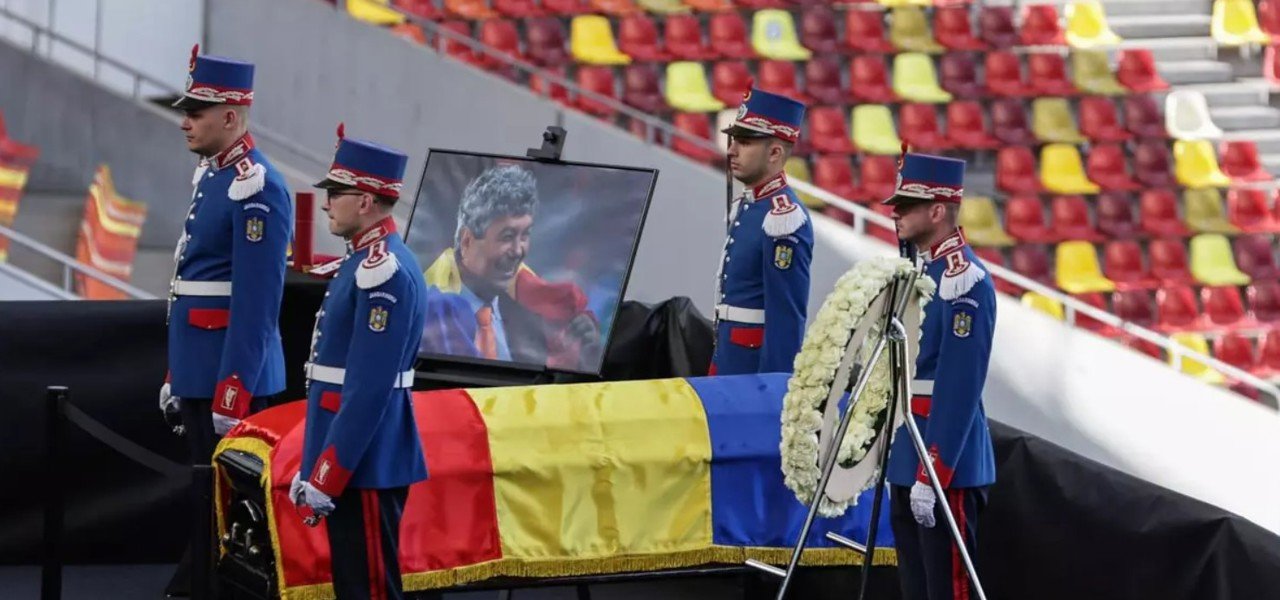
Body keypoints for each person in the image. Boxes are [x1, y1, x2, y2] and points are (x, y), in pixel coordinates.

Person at [291, 126, 428, 600]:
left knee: (368, 588)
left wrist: (330, 469)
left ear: (366, 201)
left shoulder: (382, 271)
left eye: (336, 192)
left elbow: (368, 388)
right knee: (354, 581)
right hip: (350, 451)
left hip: (364, 457)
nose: (326, 202)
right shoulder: (365, 260)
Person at [158, 44, 291, 462]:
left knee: (231, 516)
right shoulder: (216, 176)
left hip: (229, 378)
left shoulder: (256, 185)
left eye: (196, 114)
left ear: (230, 117)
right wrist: (177, 373)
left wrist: (233, 389)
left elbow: (257, 302)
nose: (184, 124)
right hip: (200, 370)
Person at [884, 153, 997, 600]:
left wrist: (934, 471)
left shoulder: (963, 281)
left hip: (940, 460)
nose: (896, 212)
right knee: (916, 588)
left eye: (907, 205)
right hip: (907, 455)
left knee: (946, 592)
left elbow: (959, 387)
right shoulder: (922, 272)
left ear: (936, 210)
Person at [420, 164, 603, 370]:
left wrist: (584, 355)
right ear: (467, 241)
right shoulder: (428, 315)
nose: (518, 250)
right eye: (507, 236)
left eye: (524, 236)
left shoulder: (529, 323)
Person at [711, 87, 813, 375]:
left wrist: (773, 387)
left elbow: (786, 319)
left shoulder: (784, 217)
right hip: (729, 357)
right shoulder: (751, 205)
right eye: (733, 141)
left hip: (751, 369)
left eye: (744, 142)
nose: (731, 150)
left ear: (775, 152)